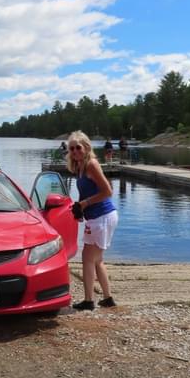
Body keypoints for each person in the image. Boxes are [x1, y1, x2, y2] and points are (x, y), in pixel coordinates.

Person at [66, 130, 118, 310]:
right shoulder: (80, 166)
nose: (74, 151)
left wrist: (85, 203)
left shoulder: (91, 164)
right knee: (97, 259)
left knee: (87, 258)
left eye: (78, 148)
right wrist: (79, 210)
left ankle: (89, 301)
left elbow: (108, 191)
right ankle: (108, 298)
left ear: (86, 147)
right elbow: (85, 193)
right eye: (71, 149)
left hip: (102, 216)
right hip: (95, 217)